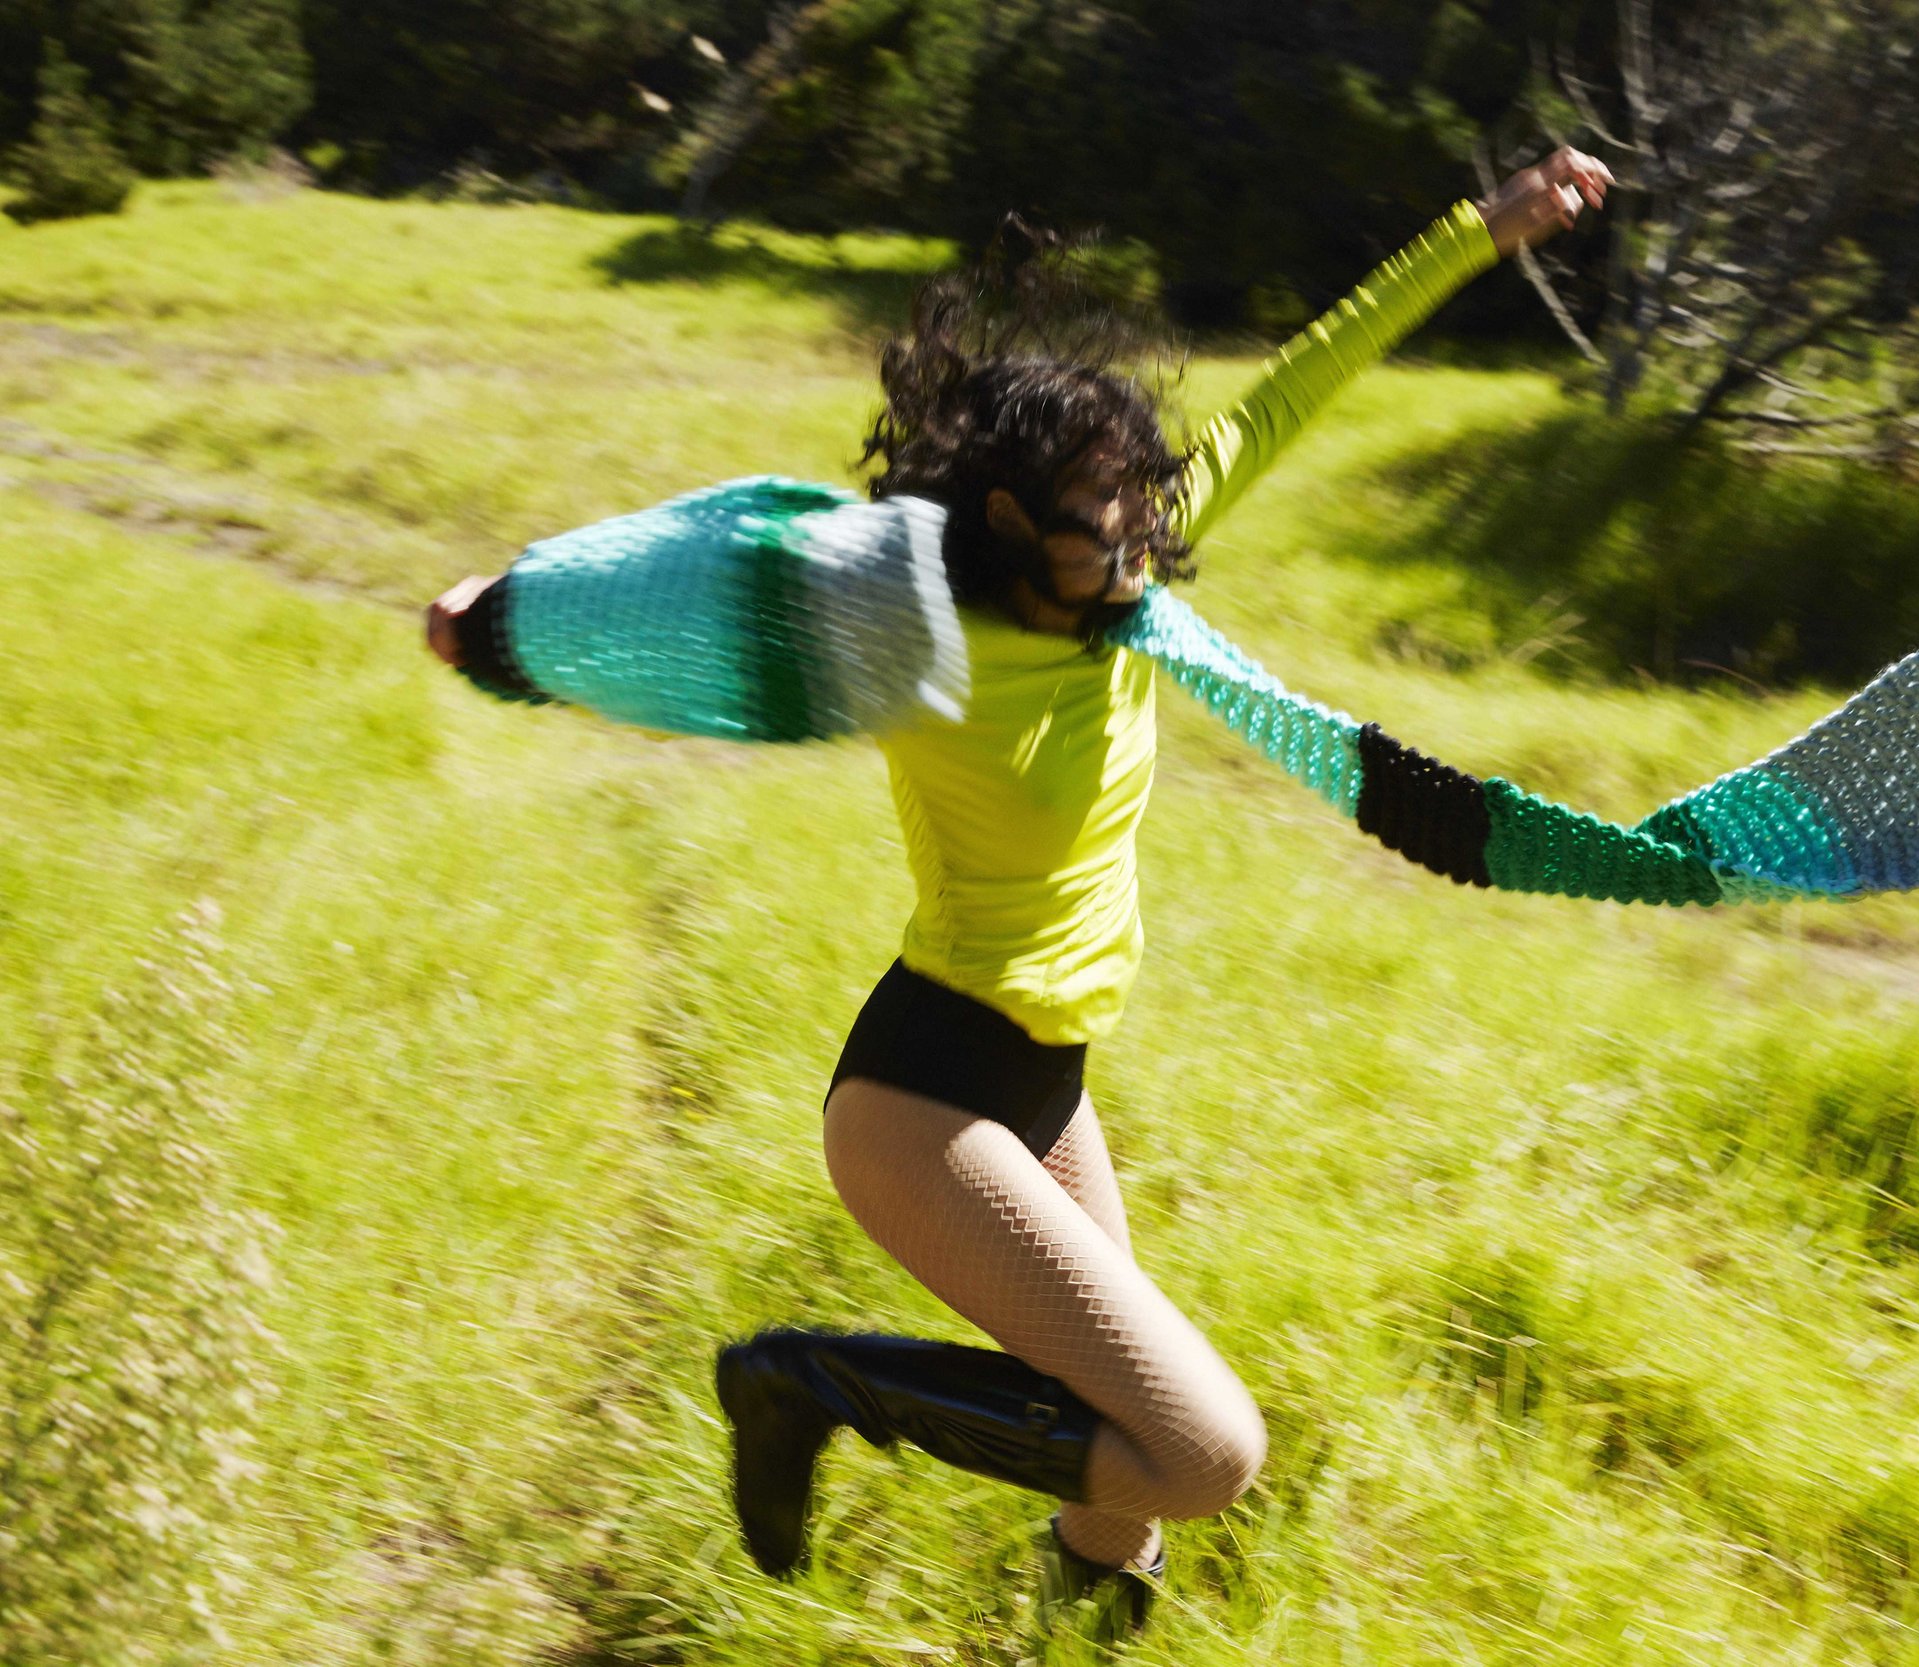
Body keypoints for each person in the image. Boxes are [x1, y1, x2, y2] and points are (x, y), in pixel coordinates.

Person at [426, 148, 1613, 1639]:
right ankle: (805, 1383)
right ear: (998, 520)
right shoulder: (918, 648)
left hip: (1045, 1084)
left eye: (1139, 495)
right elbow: (710, 586)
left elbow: (1309, 377)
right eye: (1097, 506)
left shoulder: (1139, 591)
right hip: (925, 1103)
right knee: (1204, 1452)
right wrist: (506, 623)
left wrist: (1483, 234)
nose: (1140, 528)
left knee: (1115, 1501)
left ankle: (1068, 1634)